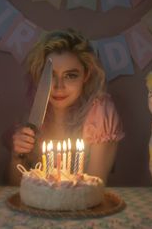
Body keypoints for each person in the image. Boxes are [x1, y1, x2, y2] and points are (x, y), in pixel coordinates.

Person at [10, 28, 124, 185]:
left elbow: (93, 187)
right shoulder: (32, 112)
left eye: (70, 75)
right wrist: (17, 155)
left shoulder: (100, 113)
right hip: (37, 207)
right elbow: (15, 187)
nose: (58, 86)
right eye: (50, 76)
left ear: (86, 75)